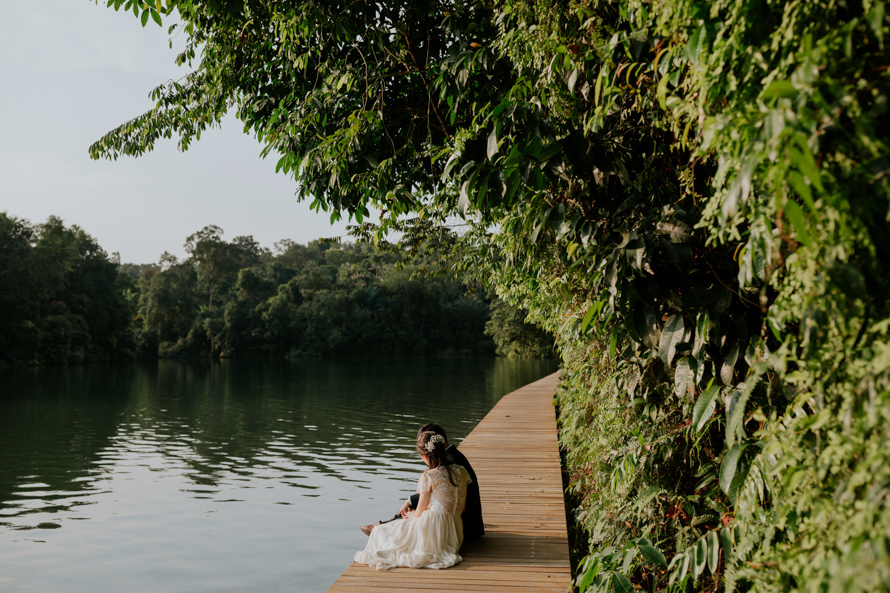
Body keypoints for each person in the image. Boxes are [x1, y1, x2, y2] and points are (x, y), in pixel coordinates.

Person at [354, 430, 472, 569]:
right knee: (396, 528)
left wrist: (412, 515)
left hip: (433, 528)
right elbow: (462, 508)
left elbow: (420, 511)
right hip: (454, 531)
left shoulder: (429, 476)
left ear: (426, 457)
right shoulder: (462, 471)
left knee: (382, 531)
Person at [360, 423, 484, 542]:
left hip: (465, 527)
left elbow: (436, 497)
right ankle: (387, 525)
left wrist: (410, 502)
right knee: (417, 505)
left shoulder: (450, 462)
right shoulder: (453, 457)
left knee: (414, 509)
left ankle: (384, 529)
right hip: (464, 521)